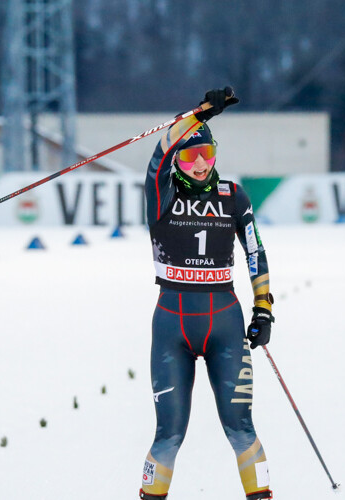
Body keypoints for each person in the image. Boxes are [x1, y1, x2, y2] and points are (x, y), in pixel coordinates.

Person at [139, 87, 274, 500]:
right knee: (169, 435)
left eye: (207, 156)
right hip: (171, 329)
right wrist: (196, 116)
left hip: (225, 325)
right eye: (190, 157)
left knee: (242, 429)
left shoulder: (233, 196)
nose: (200, 166)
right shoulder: (163, 196)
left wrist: (264, 308)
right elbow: (159, 154)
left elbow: (254, 250)